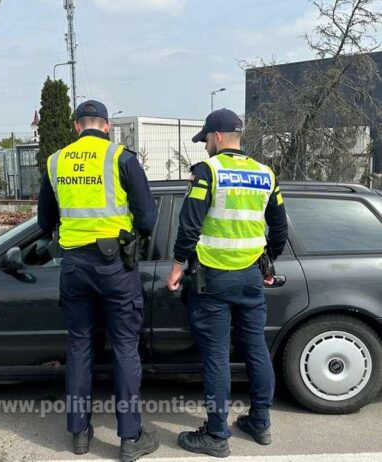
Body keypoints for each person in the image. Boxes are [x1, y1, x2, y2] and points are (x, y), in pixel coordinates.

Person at [37, 100, 160, 462]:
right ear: (107, 126)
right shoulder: (121, 157)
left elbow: (45, 221)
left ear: (77, 126)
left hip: (74, 266)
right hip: (115, 266)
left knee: (79, 347)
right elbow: (148, 219)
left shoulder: (56, 161)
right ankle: (130, 439)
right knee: (124, 348)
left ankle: (79, 434)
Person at [166, 108, 288, 458]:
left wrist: (177, 266)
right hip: (250, 277)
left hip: (214, 279)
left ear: (218, 136)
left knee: (217, 356)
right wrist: (268, 259)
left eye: (206, 138)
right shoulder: (265, 174)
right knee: (256, 349)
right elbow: (279, 227)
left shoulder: (208, 171)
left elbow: (189, 225)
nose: (204, 144)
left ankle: (217, 434)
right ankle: (260, 422)